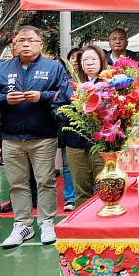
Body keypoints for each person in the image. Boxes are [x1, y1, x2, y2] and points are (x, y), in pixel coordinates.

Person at [0, 25, 69, 249]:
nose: (25, 44)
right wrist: (4, 99)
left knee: (45, 181)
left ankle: (47, 221)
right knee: (17, 183)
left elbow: (64, 94)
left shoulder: (53, 68)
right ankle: (22, 224)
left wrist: (43, 96)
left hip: (43, 135)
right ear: (14, 44)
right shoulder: (2, 69)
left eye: (31, 40)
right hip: (11, 136)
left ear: (40, 44)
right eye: (21, 40)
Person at [62, 45, 106, 208]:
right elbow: (58, 107)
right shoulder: (70, 84)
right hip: (76, 142)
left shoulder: (111, 83)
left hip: (103, 144)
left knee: (106, 187)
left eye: (93, 59)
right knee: (81, 190)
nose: (89, 63)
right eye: (85, 59)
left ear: (101, 62)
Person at [57, 49, 79, 211]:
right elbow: (56, 105)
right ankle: (70, 197)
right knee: (67, 165)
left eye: (80, 58)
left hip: (91, 132)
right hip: (68, 129)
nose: (77, 61)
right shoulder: (64, 83)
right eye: (73, 58)